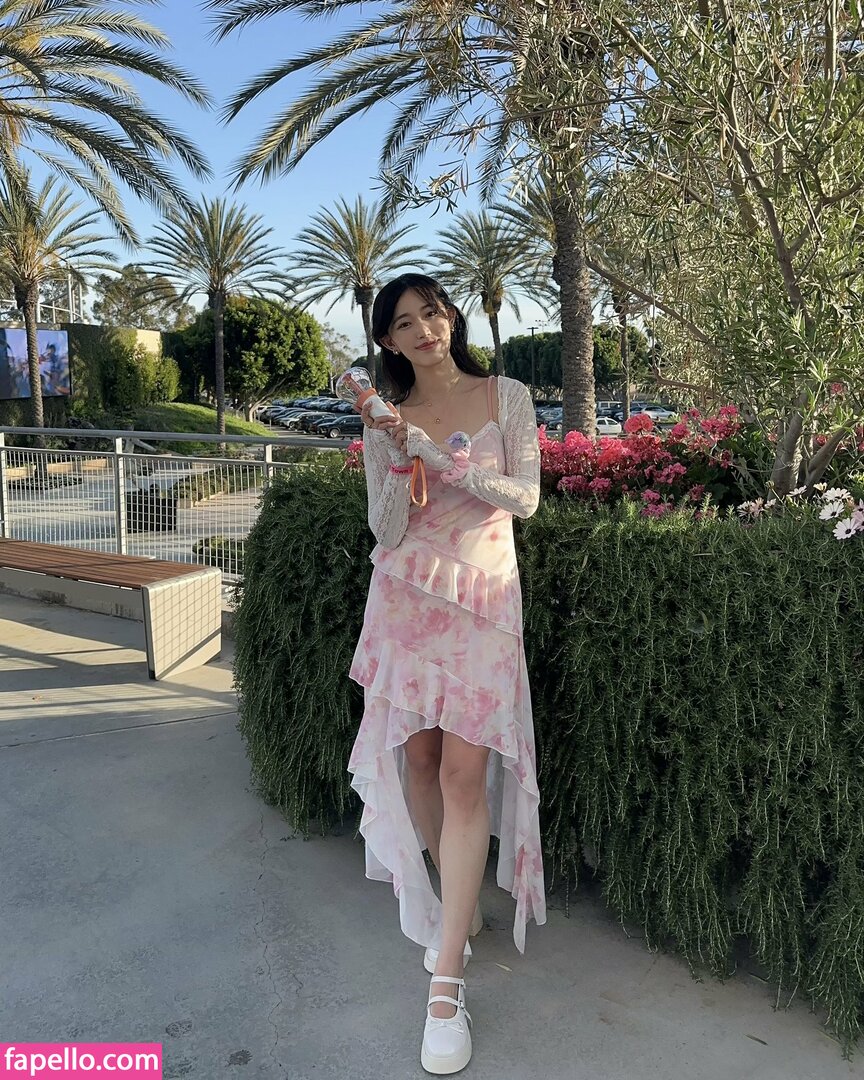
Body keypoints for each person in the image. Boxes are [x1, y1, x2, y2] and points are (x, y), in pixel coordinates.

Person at [347, 273, 547, 1075]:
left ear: (451, 317)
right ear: (387, 341)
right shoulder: (385, 418)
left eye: (432, 312)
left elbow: (525, 499)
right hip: (407, 601)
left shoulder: (507, 396)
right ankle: (453, 909)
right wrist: (401, 460)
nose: (424, 329)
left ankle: (446, 983)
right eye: (404, 322)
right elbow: (385, 529)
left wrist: (445, 461)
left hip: (483, 607)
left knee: (466, 776)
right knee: (422, 763)